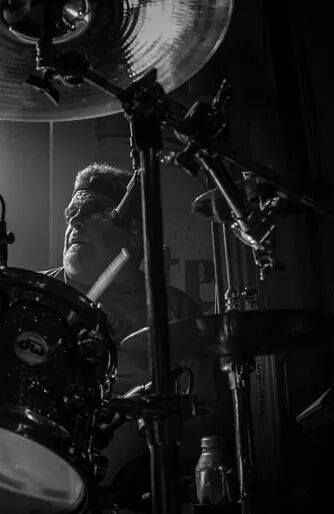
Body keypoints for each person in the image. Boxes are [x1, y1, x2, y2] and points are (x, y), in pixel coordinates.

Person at [43, 162, 231, 511]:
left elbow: (206, 419)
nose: (75, 221)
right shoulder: (36, 296)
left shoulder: (173, 310)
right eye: (71, 213)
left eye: (92, 211)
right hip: (40, 478)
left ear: (132, 232)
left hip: (137, 494)